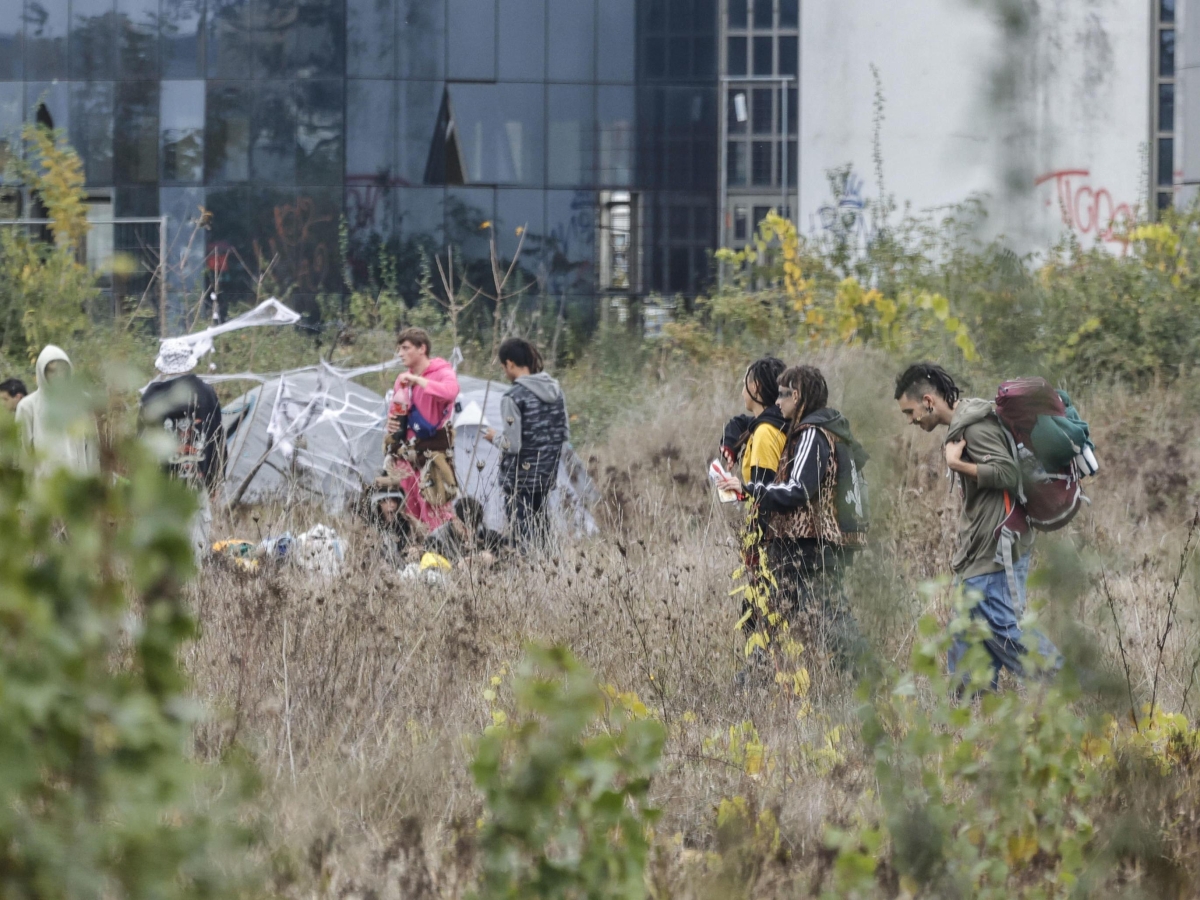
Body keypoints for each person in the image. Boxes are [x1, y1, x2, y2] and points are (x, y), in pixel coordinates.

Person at [894, 362, 1060, 691]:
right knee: (964, 632)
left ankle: (1069, 684)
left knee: (1004, 629)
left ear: (928, 401)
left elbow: (1010, 474)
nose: (911, 420)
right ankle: (970, 713)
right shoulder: (963, 425)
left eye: (910, 412)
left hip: (998, 545)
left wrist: (956, 464)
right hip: (977, 550)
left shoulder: (975, 427)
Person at [717, 365, 866, 672]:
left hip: (809, 546)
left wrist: (748, 490)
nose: (778, 402)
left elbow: (798, 489)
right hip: (810, 545)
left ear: (796, 396)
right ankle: (761, 681)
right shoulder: (816, 428)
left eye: (783, 395)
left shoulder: (812, 433)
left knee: (826, 620)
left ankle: (866, 678)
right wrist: (732, 438)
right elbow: (749, 421)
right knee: (795, 616)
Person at [140, 338, 227, 561]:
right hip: (197, 483)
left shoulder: (150, 397)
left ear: (162, 366)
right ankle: (194, 592)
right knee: (196, 547)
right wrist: (215, 479)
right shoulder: (207, 394)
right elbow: (217, 439)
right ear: (189, 363)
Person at [484, 337, 569, 547]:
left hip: (519, 481)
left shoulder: (513, 397)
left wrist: (493, 436)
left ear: (510, 364)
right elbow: (563, 433)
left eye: (504, 366)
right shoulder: (556, 392)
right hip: (546, 476)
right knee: (542, 533)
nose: (505, 372)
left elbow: (512, 445)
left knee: (523, 537)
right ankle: (549, 573)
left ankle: (530, 574)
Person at [381, 327, 461, 532]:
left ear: (422, 348)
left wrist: (419, 381)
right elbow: (395, 412)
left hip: (432, 458)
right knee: (410, 516)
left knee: (437, 513)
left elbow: (450, 393)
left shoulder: (442, 372)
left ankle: (444, 557)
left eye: (405, 348)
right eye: (399, 349)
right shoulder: (402, 380)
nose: (400, 354)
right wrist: (390, 423)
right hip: (406, 458)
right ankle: (417, 559)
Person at [15, 345, 98, 477]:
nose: (58, 375)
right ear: (42, 372)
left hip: (77, 482)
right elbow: (23, 452)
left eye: (62, 370)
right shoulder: (27, 406)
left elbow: (92, 448)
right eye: (52, 371)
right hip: (43, 485)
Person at [719, 357, 788, 489]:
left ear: (755, 387)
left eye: (744, 384)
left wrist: (743, 491)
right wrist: (730, 444)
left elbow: (764, 499)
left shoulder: (765, 432)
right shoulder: (778, 422)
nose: (742, 392)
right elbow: (740, 422)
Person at [426, 496, 506, 564]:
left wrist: (492, 557)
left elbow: (508, 546)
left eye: (474, 528)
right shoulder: (436, 540)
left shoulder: (482, 533)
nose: (470, 533)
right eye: (464, 528)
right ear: (454, 519)